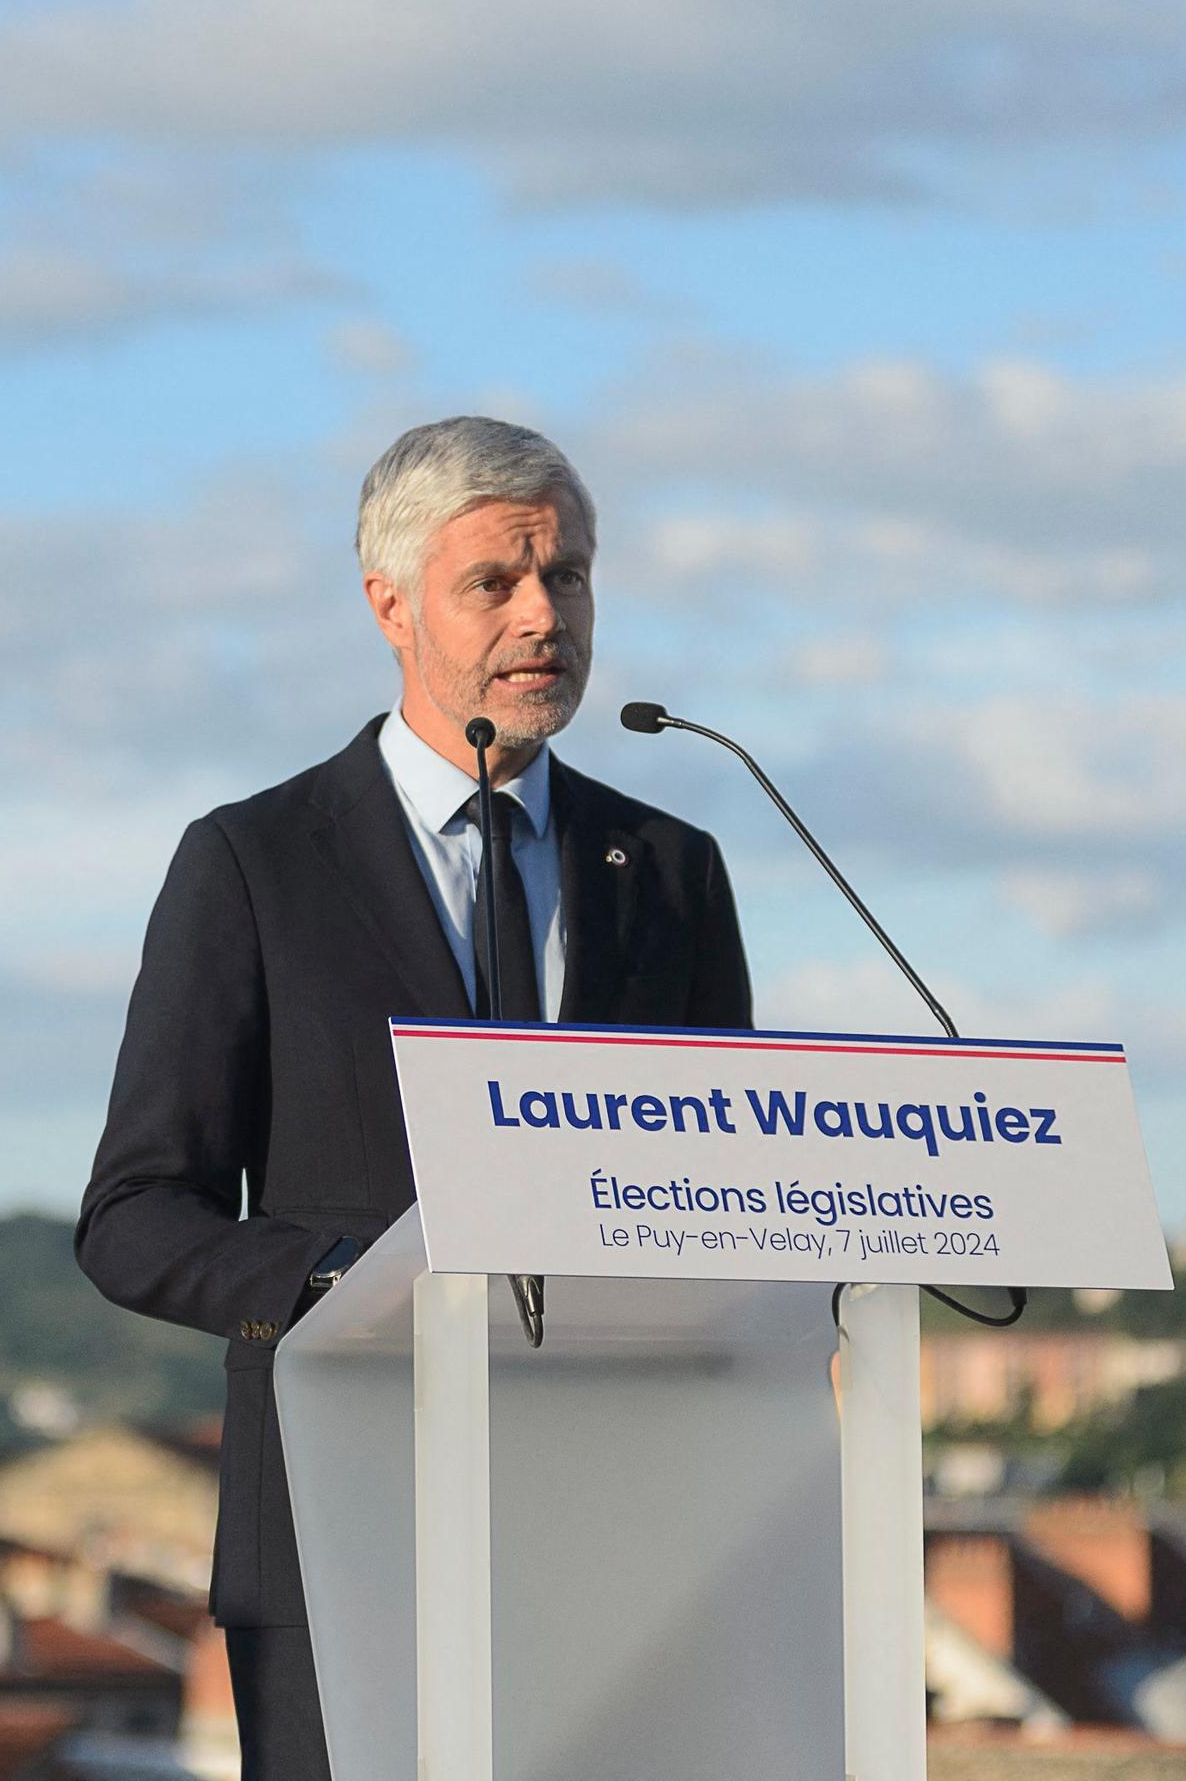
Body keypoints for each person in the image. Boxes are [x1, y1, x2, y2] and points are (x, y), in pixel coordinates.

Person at [76, 416, 755, 1777]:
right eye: (493, 582)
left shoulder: (668, 869)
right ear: (390, 605)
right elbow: (137, 1215)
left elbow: (724, 1201)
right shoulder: (255, 866)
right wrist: (359, 1282)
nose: (541, 614)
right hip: (343, 1529)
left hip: (610, 1540)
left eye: (566, 576)